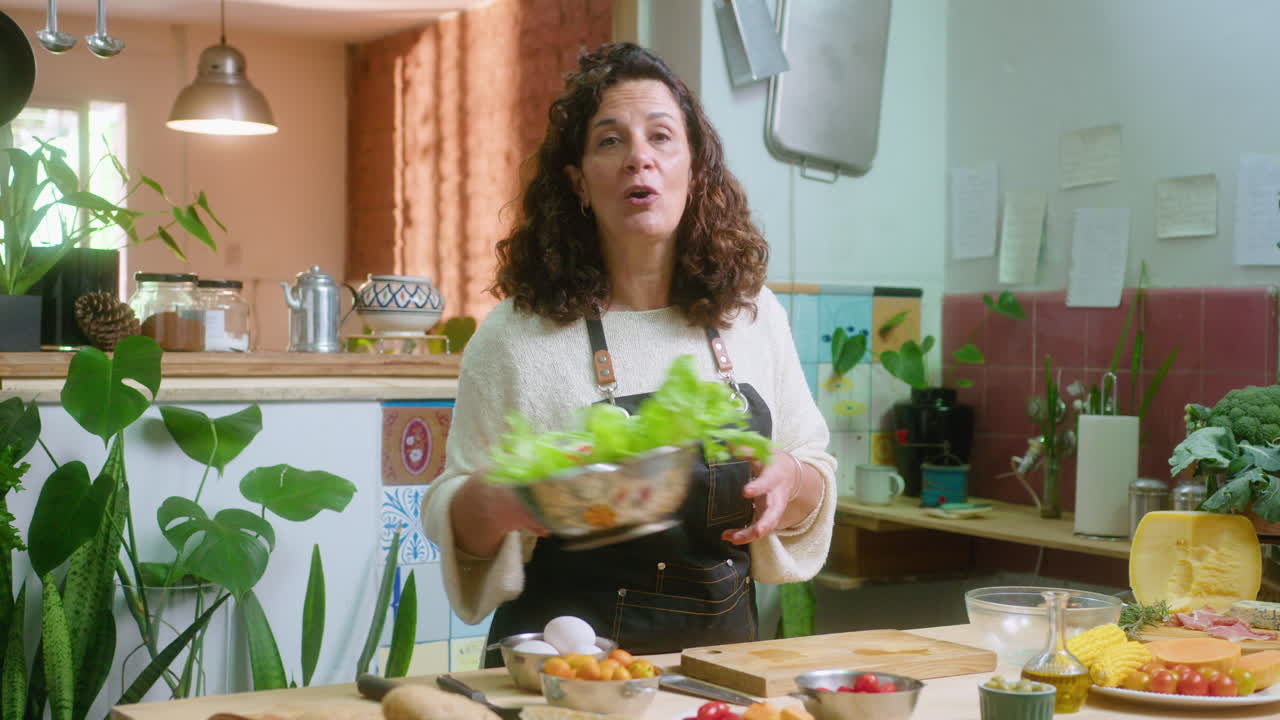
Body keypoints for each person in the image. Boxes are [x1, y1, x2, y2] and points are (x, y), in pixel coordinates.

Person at [421, 42, 836, 666]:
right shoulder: (515, 336)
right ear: (579, 182)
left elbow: (814, 473)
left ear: (694, 170)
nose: (639, 157)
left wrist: (792, 479)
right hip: (559, 677)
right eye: (610, 141)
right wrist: (503, 499)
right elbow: (453, 514)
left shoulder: (752, 314)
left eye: (662, 137)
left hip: (717, 674)